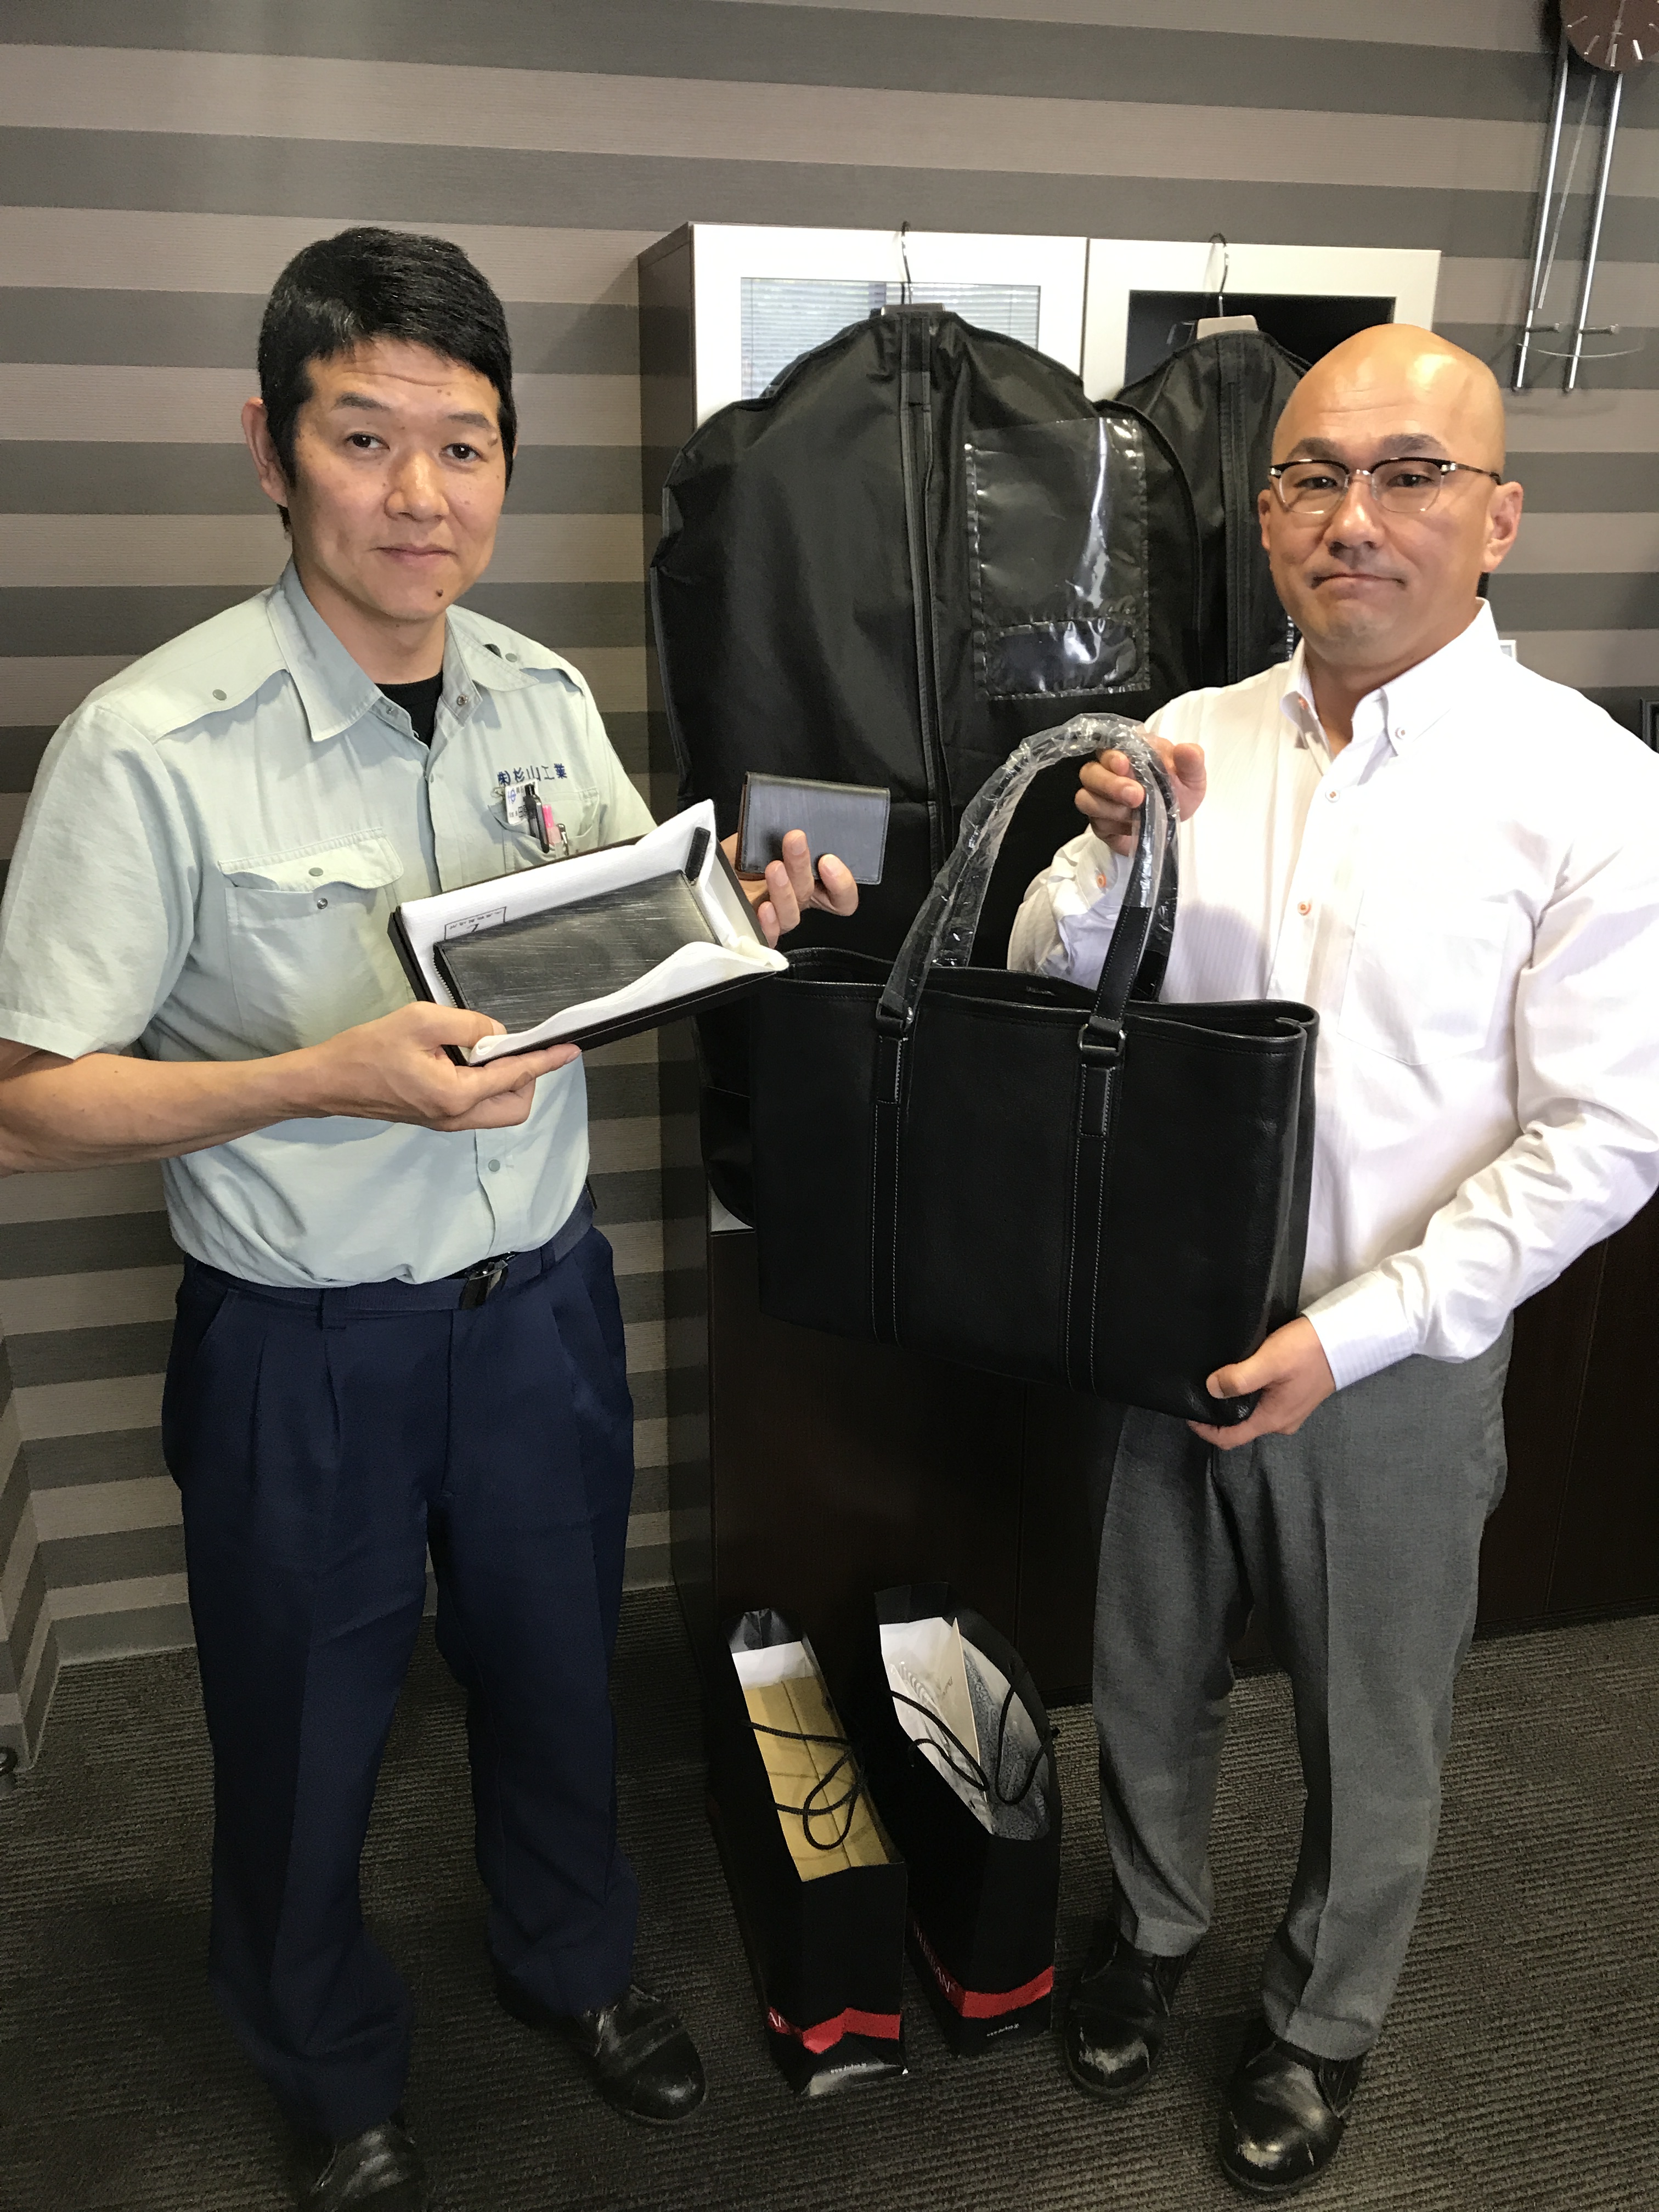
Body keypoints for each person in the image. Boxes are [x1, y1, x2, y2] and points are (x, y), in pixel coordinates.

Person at [0, 228, 857, 2212]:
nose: (420, 495)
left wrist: (737, 917)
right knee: (303, 1726)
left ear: (504, 461)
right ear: (272, 448)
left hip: (539, 1309)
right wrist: (325, 1075)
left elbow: (608, 944)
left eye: (463, 447)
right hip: (305, 1343)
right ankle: (326, 2064)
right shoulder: (150, 745)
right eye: (364, 438)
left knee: (561, 1673)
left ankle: (573, 1964)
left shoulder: (541, 695)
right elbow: (29, 1106)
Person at [1009, 324, 1659, 2197]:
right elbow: (1051, 982)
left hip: (1399, 1356)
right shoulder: (1196, 735)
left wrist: (1358, 1332)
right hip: (1169, 1325)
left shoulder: (1591, 787)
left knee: (1377, 1721)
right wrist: (1102, 861)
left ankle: (1321, 2021)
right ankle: (1151, 1924)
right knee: (1146, 1668)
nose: (1352, 517)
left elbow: (1607, 1134)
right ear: (1268, 510)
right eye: (1311, 476)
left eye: (1408, 475)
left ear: (1497, 518)